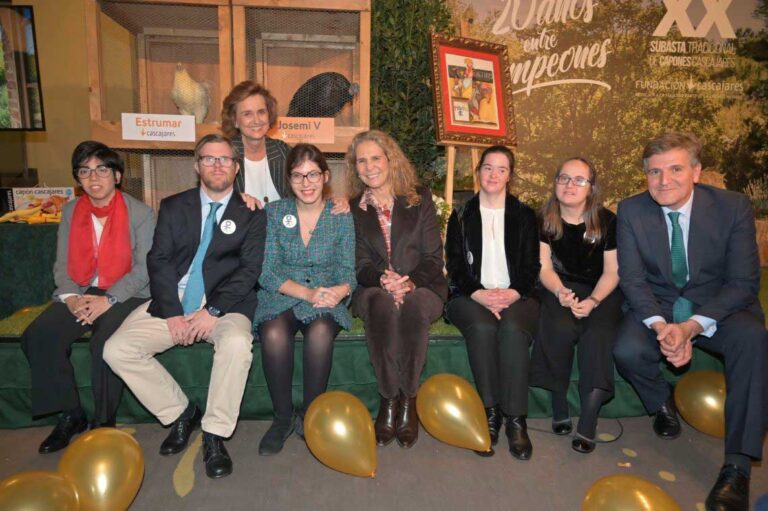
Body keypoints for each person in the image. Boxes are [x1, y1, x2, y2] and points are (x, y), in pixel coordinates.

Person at [614, 132, 767, 510]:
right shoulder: (632, 211)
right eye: (654, 172)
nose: (664, 181)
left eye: (675, 169)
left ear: (696, 171)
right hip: (659, 306)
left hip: (717, 306)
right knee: (627, 349)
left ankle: (737, 467)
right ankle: (660, 403)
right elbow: (632, 280)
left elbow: (744, 283)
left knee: (753, 339)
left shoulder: (732, 207)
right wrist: (661, 327)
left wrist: (692, 326)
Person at [104, 134, 266, 479]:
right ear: (197, 166)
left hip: (227, 304)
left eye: (224, 159)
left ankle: (215, 433)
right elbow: (158, 260)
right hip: (174, 302)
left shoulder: (251, 212)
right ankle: (180, 413)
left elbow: (249, 270)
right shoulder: (175, 206)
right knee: (117, 350)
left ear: (236, 168)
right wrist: (174, 312)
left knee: (237, 344)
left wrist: (213, 311)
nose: (217, 165)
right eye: (209, 159)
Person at [21, 141, 154, 453]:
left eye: (102, 169)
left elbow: (145, 268)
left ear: (118, 176)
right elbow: (61, 264)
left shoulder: (141, 213)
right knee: (39, 335)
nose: (94, 178)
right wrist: (70, 298)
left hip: (126, 292)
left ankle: (104, 423)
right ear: (77, 179)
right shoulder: (70, 211)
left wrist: (108, 300)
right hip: (80, 291)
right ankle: (71, 414)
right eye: (85, 171)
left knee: (104, 344)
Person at [347, 130, 448, 449]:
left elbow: (434, 257)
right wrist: (382, 280)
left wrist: (409, 282)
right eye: (361, 160)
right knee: (380, 304)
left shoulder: (419, 198)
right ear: (355, 167)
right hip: (373, 287)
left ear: (390, 159)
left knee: (414, 306)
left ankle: (408, 400)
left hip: (423, 285)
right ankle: (388, 399)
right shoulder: (354, 208)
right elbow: (360, 264)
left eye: (376, 158)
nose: (369, 166)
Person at [253, 143, 356, 455]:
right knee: (272, 333)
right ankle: (282, 418)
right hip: (284, 293)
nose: (306, 183)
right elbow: (267, 272)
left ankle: (313, 415)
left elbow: (348, 271)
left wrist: (339, 291)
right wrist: (306, 293)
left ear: (325, 176)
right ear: (289, 180)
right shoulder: (275, 213)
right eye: (298, 176)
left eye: (313, 175)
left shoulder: (340, 215)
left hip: (327, 292)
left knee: (321, 333)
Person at [444, 145, 539, 460]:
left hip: (517, 294)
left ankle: (515, 419)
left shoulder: (525, 216)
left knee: (512, 329)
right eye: (488, 167)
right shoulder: (460, 213)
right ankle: (490, 413)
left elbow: (531, 267)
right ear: (478, 171)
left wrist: (511, 293)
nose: (493, 174)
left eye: (501, 169)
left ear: (510, 175)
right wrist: (480, 294)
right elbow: (455, 266)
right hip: (470, 295)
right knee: (483, 329)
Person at [530, 157, 622, 454]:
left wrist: (594, 301)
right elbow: (543, 267)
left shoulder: (607, 222)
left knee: (598, 335)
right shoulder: (544, 218)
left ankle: (589, 418)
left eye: (579, 179)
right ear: (555, 182)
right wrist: (560, 292)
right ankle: (559, 400)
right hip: (558, 285)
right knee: (557, 325)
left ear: (591, 187)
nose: (570, 185)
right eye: (564, 178)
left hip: (601, 290)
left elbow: (612, 272)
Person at [221, 80, 290, 207]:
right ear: (235, 120)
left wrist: (334, 203)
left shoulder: (283, 151)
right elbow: (211, 197)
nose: (256, 120)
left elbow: (307, 190)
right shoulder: (223, 154)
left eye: (261, 112)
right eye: (247, 114)